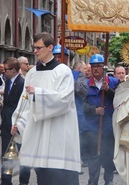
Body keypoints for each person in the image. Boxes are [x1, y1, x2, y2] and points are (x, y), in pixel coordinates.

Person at [11, 32, 81, 185]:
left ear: (50, 47)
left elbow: (64, 100)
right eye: (34, 48)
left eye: (38, 48)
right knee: (42, 175)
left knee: (61, 177)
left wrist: (38, 93)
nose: (35, 51)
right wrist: (18, 123)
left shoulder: (63, 71)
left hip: (59, 132)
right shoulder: (32, 73)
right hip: (38, 134)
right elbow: (25, 102)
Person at [82, 54, 119, 185]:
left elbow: (120, 101)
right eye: (93, 66)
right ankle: (93, 181)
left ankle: (108, 181)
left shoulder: (114, 82)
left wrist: (108, 90)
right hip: (92, 128)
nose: (96, 69)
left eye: (98, 66)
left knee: (108, 157)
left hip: (108, 128)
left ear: (103, 68)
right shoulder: (85, 85)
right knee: (93, 158)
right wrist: (94, 110)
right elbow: (82, 105)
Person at [0, 57, 30, 185]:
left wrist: (18, 123)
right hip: (7, 123)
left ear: (13, 70)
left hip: (19, 124)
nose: (3, 72)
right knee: (7, 154)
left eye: (5, 69)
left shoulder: (22, 83)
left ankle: (23, 182)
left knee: (23, 154)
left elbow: (24, 105)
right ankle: (6, 181)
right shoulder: (7, 81)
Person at [71, 60, 89, 169]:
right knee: (79, 137)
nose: (86, 71)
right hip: (77, 111)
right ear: (79, 69)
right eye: (84, 69)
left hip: (76, 110)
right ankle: (79, 159)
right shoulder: (80, 77)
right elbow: (83, 91)